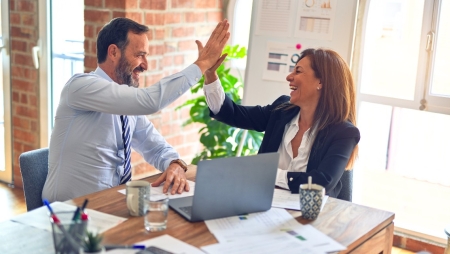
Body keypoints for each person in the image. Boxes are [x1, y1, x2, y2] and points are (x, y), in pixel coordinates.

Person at [42, 17, 230, 202]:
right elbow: (150, 101)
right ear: (114, 52)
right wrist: (202, 64)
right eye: (140, 55)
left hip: (111, 206)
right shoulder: (81, 87)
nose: (145, 65)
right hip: (68, 213)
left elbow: (155, 147)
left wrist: (175, 163)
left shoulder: (126, 105)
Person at [203, 48, 360, 198]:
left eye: (298, 71)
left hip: (312, 216)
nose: (289, 77)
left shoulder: (344, 133)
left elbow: (320, 183)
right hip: (264, 205)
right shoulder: (281, 110)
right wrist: (210, 75)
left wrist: (267, 173)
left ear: (321, 82)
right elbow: (232, 114)